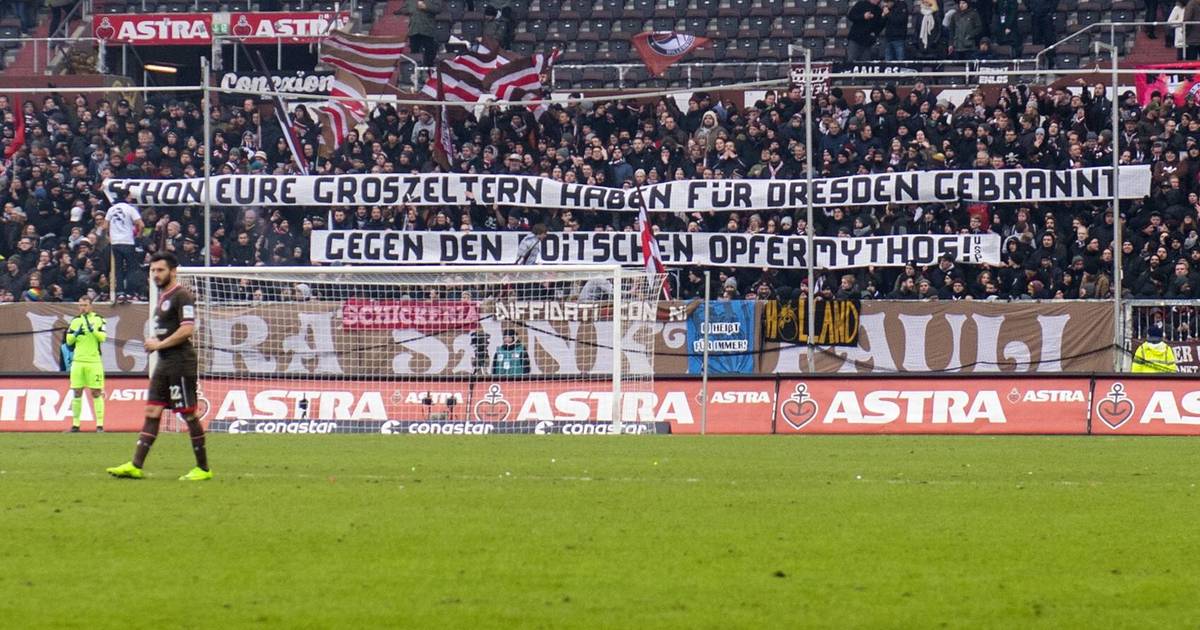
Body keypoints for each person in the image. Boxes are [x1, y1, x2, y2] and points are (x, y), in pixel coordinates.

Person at [107, 252, 211, 481]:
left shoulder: (182, 295)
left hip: (180, 361)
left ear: (173, 271)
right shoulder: (163, 296)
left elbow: (187, 329)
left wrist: (159, 344)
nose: (155, 274)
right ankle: (136, 465)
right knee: (152, 411)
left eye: (160, 270)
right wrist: (158, 347)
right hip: (165, 361)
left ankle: (203, 469)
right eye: (153, 270)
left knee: (188, 414)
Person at [65, 296, 106, 433]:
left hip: (94, 361)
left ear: (91, 306)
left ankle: (99, 425)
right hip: (78, 361)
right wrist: (76, 333)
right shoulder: (75, 321)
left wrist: (92, 330)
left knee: (96, 392)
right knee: (77, 392)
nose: (82, 308)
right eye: (80, 305)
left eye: (85, 305)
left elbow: (103, 338)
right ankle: (76, 425)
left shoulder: (99, 319)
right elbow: (69, 341)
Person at [103, 199, 144, 303]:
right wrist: (138, 236)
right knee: (131, 268)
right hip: (128, 241)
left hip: (115, 243)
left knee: (118, 268)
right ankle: (130, 292)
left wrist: (108, 237)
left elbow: (105, 227)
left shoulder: (111, 209)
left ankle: (120, 293)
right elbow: (141, 225)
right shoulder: (130, 209)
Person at [405, 0, 445, 67]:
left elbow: (438, 9)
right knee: (414, 54)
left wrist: (426, 7)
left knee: (429, 54)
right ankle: (416, 73)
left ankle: (429, 72)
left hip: (428, 30)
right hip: (414, 30)